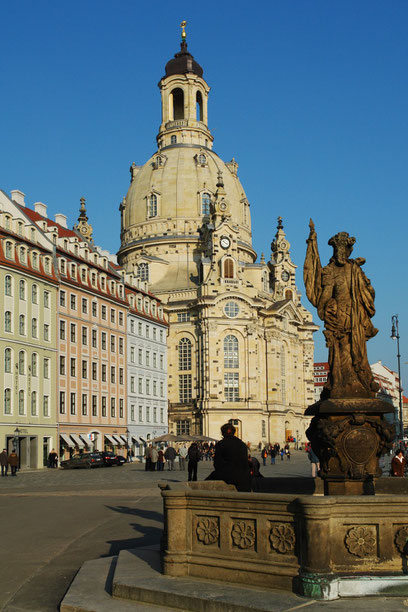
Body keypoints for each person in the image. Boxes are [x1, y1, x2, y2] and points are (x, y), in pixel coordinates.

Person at [206, 423, 251, 492]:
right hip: (244, 476)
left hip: (229, 475)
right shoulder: (242, 444)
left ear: (223, 433)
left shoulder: (221, 444)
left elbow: (217, 464)